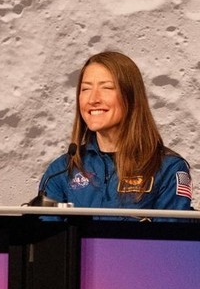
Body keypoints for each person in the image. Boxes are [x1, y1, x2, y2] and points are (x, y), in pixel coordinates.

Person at [38, 51, 193, 216]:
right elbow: (48, 238)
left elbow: (171, 239)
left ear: (131, 96)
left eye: (107, 88)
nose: (93, 99)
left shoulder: (167, 168)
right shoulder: (62, 170)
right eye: (85, 88)